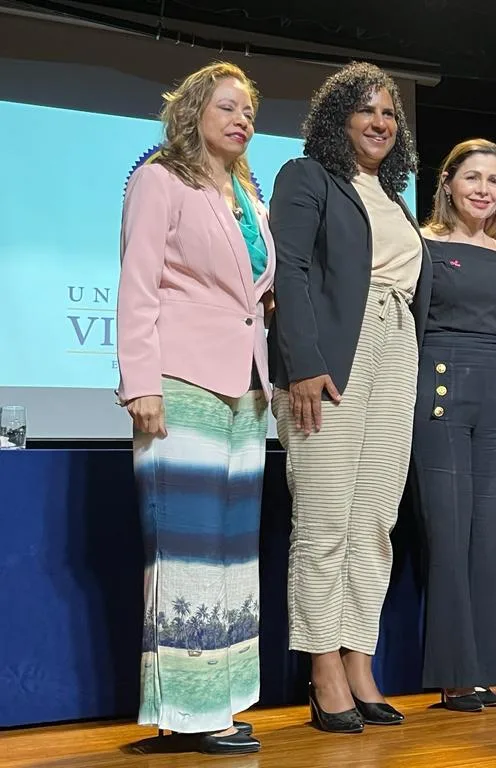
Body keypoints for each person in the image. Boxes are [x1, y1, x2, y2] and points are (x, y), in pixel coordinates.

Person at [116, 61, 275, 755]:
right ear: (192, 114)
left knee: (232, 552)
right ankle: (187, 709)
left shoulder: (248, 194)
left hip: (247, 387)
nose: (241, 119)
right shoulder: (161, 179)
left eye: (248, 110)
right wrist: (139, 381)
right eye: (227, 107)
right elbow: (138, 285)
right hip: (180, 381)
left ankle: (224, 699)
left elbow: (254, 294)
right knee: (184, 550)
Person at [267, 61, 430, 732]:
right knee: (327, 519)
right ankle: (323, 667)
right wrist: (302, 364)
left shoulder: (394, 197)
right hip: (334, 355)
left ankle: (359, 657)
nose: (381, 122)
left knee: (374, 522)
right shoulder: (308, 177)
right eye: (367, 110)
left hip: (397, 347)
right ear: (338, 119)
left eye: (390, 113)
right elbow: (291, 270)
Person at [411, 139, 496, 712]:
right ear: (448, 182)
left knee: (490, 535)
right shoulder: (423, 244)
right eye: (473, 177)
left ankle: (485, 668)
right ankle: (454, 674)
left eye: (494, 181)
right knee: (449, 533)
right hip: (441, 390)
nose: (483, 189)